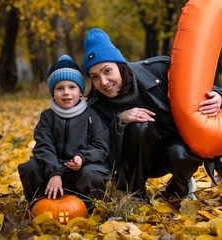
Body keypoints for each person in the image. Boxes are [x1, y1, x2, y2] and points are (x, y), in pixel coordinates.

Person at [83, 28, 222, 201]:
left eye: (107, 71)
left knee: (182, 154)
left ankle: (177, 189)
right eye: (94, 77)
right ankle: (136, 196)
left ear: (120, 65)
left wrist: (218, 96)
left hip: (174, 151)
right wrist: (120, 120)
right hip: (133, 161)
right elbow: (98, 147)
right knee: (139, 126)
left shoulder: (158, 70)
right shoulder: (97, 107)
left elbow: (198, 88)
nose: (103, 82)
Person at [18, 55, 110, 206]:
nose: (66, 92)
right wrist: (54, 172)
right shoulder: (47, 117)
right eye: (60, 88)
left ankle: (89, 207)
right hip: (51, 170)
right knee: (30, 167)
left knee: (93, 173)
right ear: (53, 93)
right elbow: (43, 146)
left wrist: (82, 157)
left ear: (80, 91)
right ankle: (39, 205)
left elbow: (100, 145)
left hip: (79, 170)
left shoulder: (91, 116)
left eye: (72, 87)